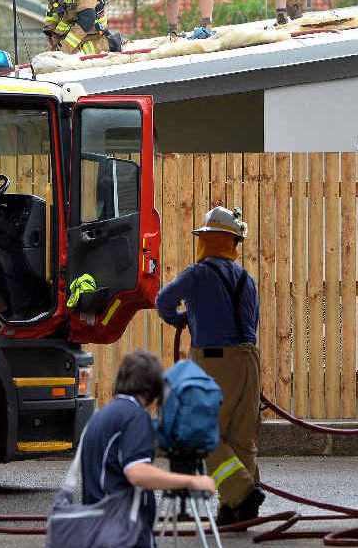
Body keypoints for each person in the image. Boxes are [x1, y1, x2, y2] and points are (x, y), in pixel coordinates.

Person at [155, 206, 263, 527]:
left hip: (215, 362)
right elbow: (251, 323)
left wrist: (180, 318)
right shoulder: (247, 279)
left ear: (206, 240)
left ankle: (243, 492)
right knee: (240, 437)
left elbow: (164, 300)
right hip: (249, 361)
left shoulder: (198, 274)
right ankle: (235, 511)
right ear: (231, 242)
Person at [79, 349, 216, 548]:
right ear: (152, 388)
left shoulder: (103, 416)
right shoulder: (134, 417)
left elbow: (113, 462)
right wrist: (192, 481)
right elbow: (137, 473)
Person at [42, 0, 112, 54]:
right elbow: (52, 11)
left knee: (62, 58)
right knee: (48, 60)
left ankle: (110, 44)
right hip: (64, 36)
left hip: (90, 38)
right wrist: (50, 32)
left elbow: (87, 20)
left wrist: (64, 49)